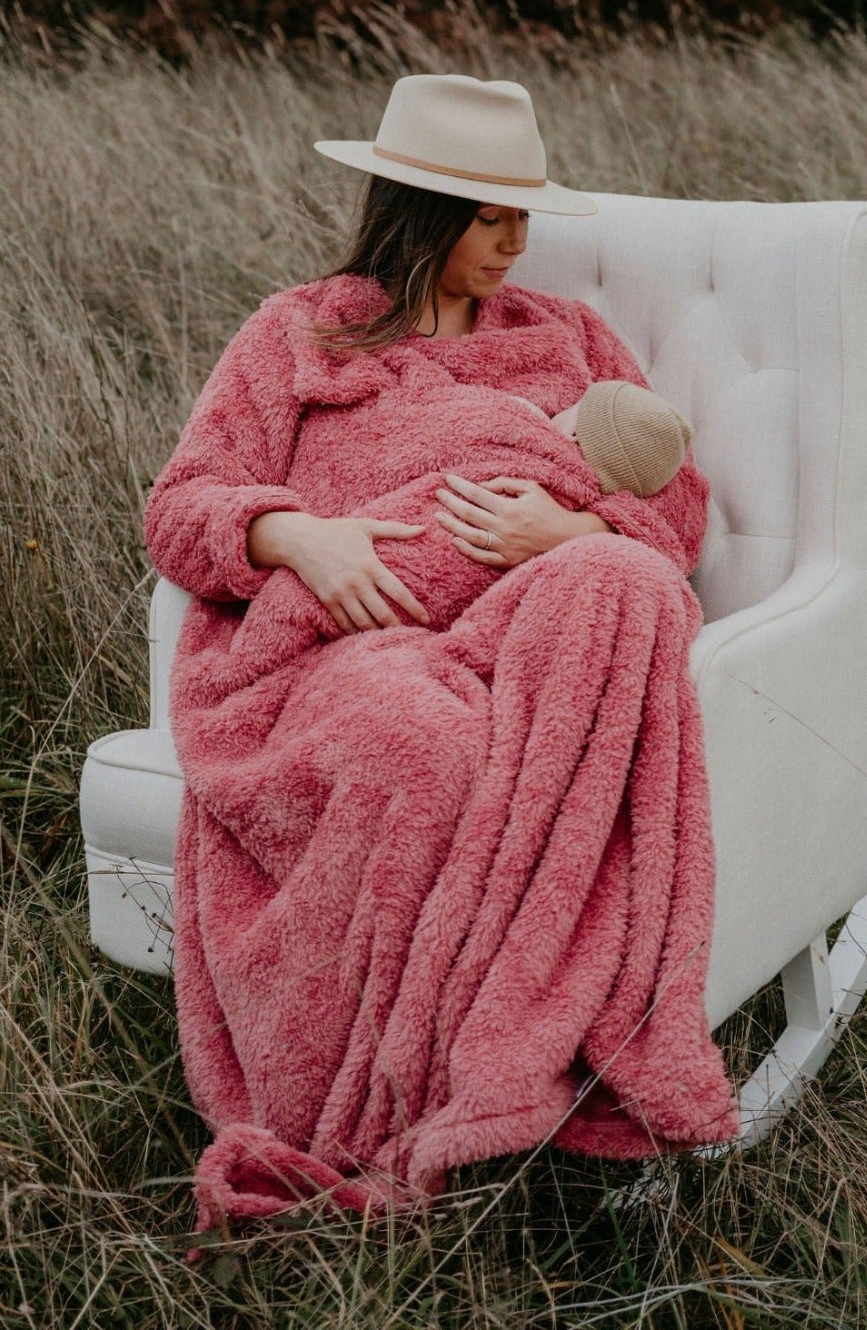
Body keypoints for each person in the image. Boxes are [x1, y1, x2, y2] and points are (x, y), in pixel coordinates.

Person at [145, 73, 739, 1228]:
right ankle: (384, 1104)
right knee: (417, 741)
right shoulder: (301, 329)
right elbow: (180, 505)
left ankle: (528, 1056)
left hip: (515, 637)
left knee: (620, 580)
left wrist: (571, 527)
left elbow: (673, 505)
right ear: (417, 208)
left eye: (523, 216)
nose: (517, 242)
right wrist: (295, 533)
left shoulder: (566, 338)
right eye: (490, 217)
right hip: (329, 652)